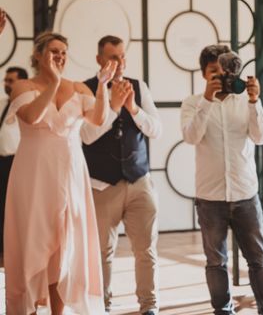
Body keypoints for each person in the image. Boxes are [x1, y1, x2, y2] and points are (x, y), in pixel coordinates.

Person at [4, 32, 115, 314]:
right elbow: (31, 117)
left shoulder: (78, 88)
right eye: (54, 51)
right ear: (39, 55)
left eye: (64, 52)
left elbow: (98, 119)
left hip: (70, 173)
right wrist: (52, 84)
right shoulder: (22, 87)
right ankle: (26, 307)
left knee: (67, 245)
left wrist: (102, 86)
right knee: (33, 239)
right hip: (34, 175)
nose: (60, 57)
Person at [181, 45, 263, 315]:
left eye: (224, 72)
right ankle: (223, 311)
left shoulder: (245, 99)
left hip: (245, 192)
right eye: (213, 73)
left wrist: (255, 102)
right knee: (216, 262)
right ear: (203, 74)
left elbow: (260, 137)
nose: (221, 77)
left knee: (258, 259)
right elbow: (191, 137)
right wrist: (207, 101)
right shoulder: (192, 103)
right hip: (210, 197)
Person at [80, 35, 162, 315]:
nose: (120, 63)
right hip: (102, 185)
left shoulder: (139, 87)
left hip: (140, 181)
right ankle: (102, 305)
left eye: (123, 56)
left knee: (146, 250)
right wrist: (114, 107)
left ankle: (149, 306)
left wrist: (133, 109)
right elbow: (87, 136)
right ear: (100, 60)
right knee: (102, 253)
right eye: (113, 57)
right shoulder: (85, 89)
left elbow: (156, 129)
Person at [0, 66, 28, 253]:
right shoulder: (2, 103)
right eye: (6, 80)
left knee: (17, 207)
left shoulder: (28, 105)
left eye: (11, 80)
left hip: (19, 162)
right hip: (1, 162)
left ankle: (16, 248)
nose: (7, 84)